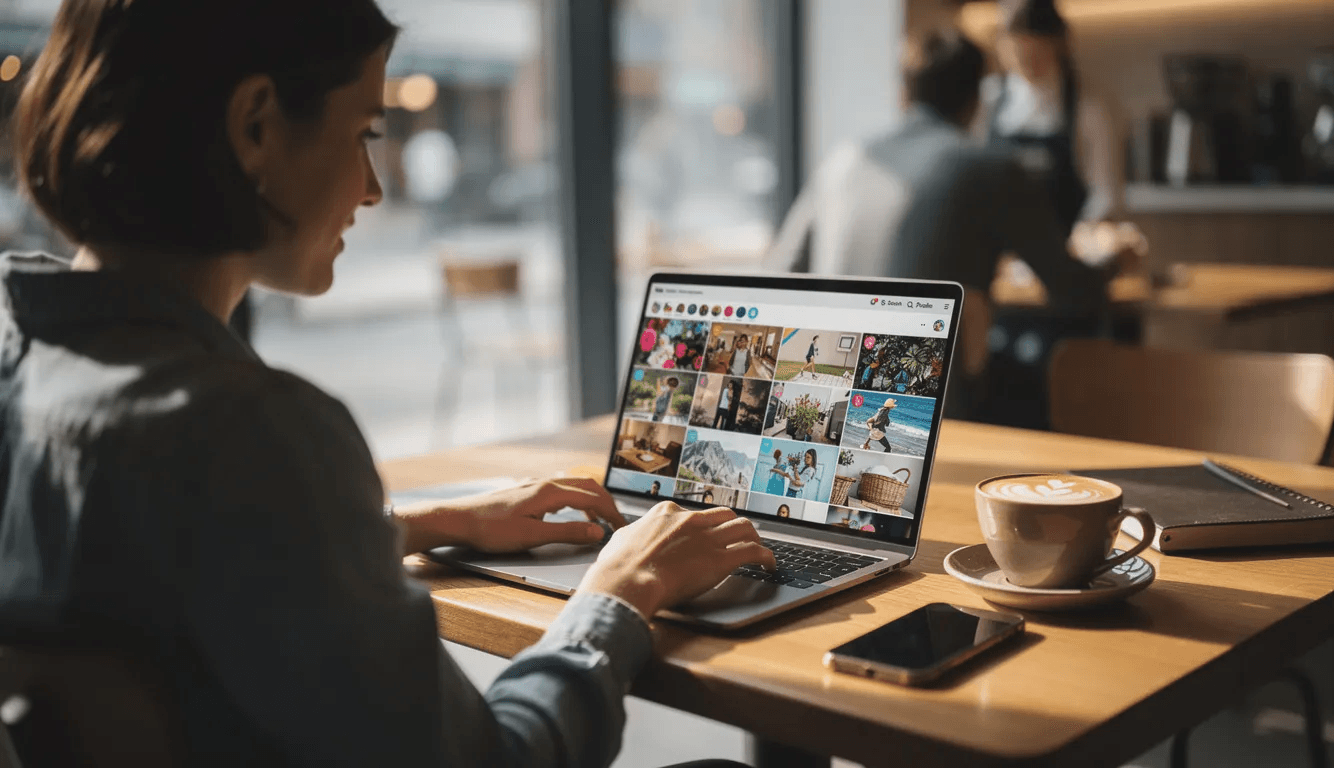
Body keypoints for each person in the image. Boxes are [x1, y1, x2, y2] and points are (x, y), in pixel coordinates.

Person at [0, 2, 775, 766]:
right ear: (255, 127)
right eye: (365, 131)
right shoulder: (249, 432)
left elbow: (172, 566)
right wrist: (619, 594)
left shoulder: (24, 365)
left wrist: (420, 522)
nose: (373, 187)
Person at [766, 28, 1112, 314]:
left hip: (841, 379)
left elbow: (781, 274)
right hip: (935, 389)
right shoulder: (989, 168)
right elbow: (1071, 288)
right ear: (976, 98)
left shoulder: (844, 160)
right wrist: (1113, 264)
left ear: (904, 93)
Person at [985, 0, 1123, 233]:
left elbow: (1106, 193)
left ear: (1058, 45)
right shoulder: (988, 99)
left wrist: (1086, 233)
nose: (1028, 62)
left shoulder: (1087, 106)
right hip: (998, 248)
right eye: (1018, 53)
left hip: (1064, 246)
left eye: (1037, 53)